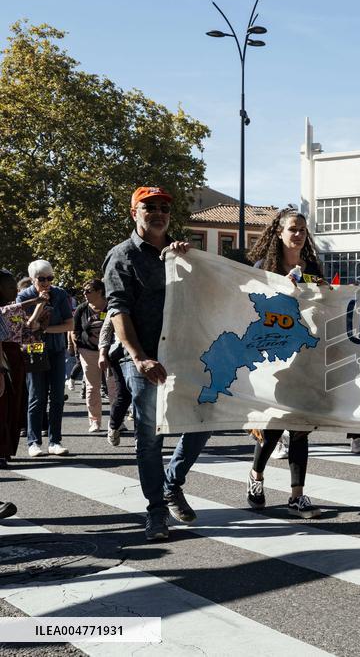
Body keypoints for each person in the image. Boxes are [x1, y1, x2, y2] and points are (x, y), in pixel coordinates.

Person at [103, 186, 212, 540]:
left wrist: (188, 260)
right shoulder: (121, 256)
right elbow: (118, 310)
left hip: (182, 354)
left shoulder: (178, 255)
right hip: (144, 358)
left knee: (203, 418)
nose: (159, 213)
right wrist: (139, 358)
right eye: (150, 207)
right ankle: (156, 511)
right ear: (134, 212)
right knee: (149, 438)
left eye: (165, 207)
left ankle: (171, 482)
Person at [243, 208, 325, 518]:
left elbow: (322, 308)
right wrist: (281, 286)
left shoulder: (313, 268)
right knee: (275, 425)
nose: (299, 234)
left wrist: (324, 294)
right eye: (293, 229)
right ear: (279, 233)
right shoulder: (263, 268)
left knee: (300, 426)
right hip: (272, 357)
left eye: (303, 229)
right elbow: (253, 305)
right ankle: (256, 475)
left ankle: (297, 495)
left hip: (304, 356)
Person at [17, 259, 74, 457]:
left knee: (57, 397)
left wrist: (46, 329)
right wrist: (40, 306)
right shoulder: (24, 297)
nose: (47, 282)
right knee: (36, 397)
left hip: (57, 350)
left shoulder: (60, 294)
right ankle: (33, 442)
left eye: (50, 278)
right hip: (34, 352)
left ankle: (55, 441)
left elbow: (69, 324)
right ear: (32, 279)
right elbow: (27, 327)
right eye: (42, 279)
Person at [1, 269, 50, 467]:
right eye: (10, 286)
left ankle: (7, 449)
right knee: (2, 406)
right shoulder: (10, 309)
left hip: (17, 360)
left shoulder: (15, 309)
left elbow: (27, 331)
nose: (15, 290)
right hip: (2, 361)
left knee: (14, 406)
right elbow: (5, 313)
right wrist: (34, 302)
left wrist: (41, 323)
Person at [73, 279, 116, 433]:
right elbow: (75, 330)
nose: (85, 293)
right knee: (92, 387)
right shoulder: (81, 309)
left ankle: (116, 420)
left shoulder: (111, 306)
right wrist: (78, 347)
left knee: (113, 386)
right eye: (84, 290)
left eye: (89, 290)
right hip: (88, 352)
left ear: (100, 292)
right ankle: (95, 421)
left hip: (110, 352)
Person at [97, 310, 132, 447]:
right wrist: (102, 354)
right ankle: (113, 426)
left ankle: (142, 437)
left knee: (143, 396)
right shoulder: (118, 301)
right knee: (124, 394)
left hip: (149, 353)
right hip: (121, 354)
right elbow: (106, 330)